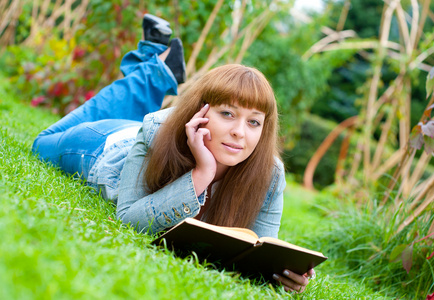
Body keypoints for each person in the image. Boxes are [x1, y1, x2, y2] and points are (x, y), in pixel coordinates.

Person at [31, 13, 315, 293]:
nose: (240, 132)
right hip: (104, 147)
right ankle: (153, 73)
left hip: (146, 132)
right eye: (227, 113)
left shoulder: (269, 172)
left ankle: (155, 61)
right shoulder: (156, 129)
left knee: (144, 114)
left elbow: (260, 246)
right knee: (41, 143)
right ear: (200, 111)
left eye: (254, 121)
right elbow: (129, 218)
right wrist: (202, 173)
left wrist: (283, 273)